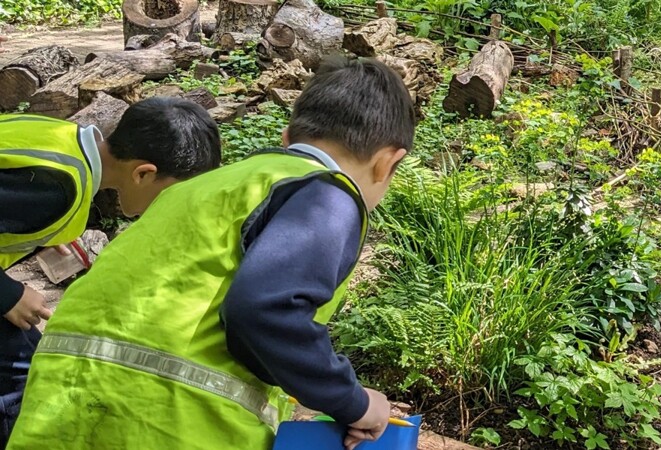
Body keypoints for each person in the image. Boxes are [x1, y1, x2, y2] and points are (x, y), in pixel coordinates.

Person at [9, 56, 416, 450]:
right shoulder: (326, 196)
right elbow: (266, 312)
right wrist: (354, 402)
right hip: (169, 420)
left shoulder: (207, 186)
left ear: (288, 137)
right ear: (386, 163)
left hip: (60, 400)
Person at [0, 97, 222, 446]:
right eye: (172, 196)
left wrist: (39, 230)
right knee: (21, 378)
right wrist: (9, 294)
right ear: (144, 173)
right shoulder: (58, 187)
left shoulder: (62, 138)